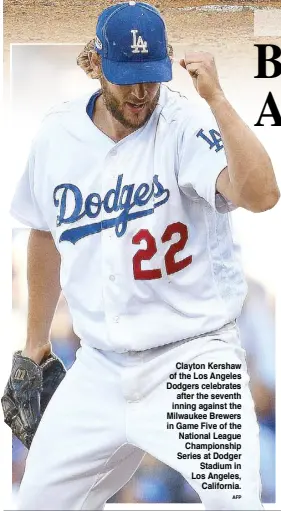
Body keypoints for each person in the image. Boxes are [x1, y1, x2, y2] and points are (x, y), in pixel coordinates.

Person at [8, 1, 279, 510]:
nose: (140, 92)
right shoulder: (56, 135)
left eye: (150, 77)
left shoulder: (184, 124)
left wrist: (217, 99)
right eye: (127, 77)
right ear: (97, 64)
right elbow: (43, 233)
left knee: (237, 505)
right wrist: (34, 345)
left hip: (194, 361)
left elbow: (262, 194)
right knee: (36, 503)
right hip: (100, 367)